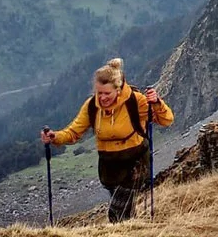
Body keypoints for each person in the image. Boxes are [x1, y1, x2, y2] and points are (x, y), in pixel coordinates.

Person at [41, 58, 174, 222]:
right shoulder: (92, 106)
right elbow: (73, 132)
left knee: (117, 212)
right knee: (125, 210)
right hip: (109, 167)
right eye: (99, 93)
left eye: (107, 93)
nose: (102, 98)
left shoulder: (136, 101)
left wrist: (156, 103)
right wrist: (54, 137)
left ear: (118, 89)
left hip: (136, 162)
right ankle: (135, 230)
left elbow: (166, 120)